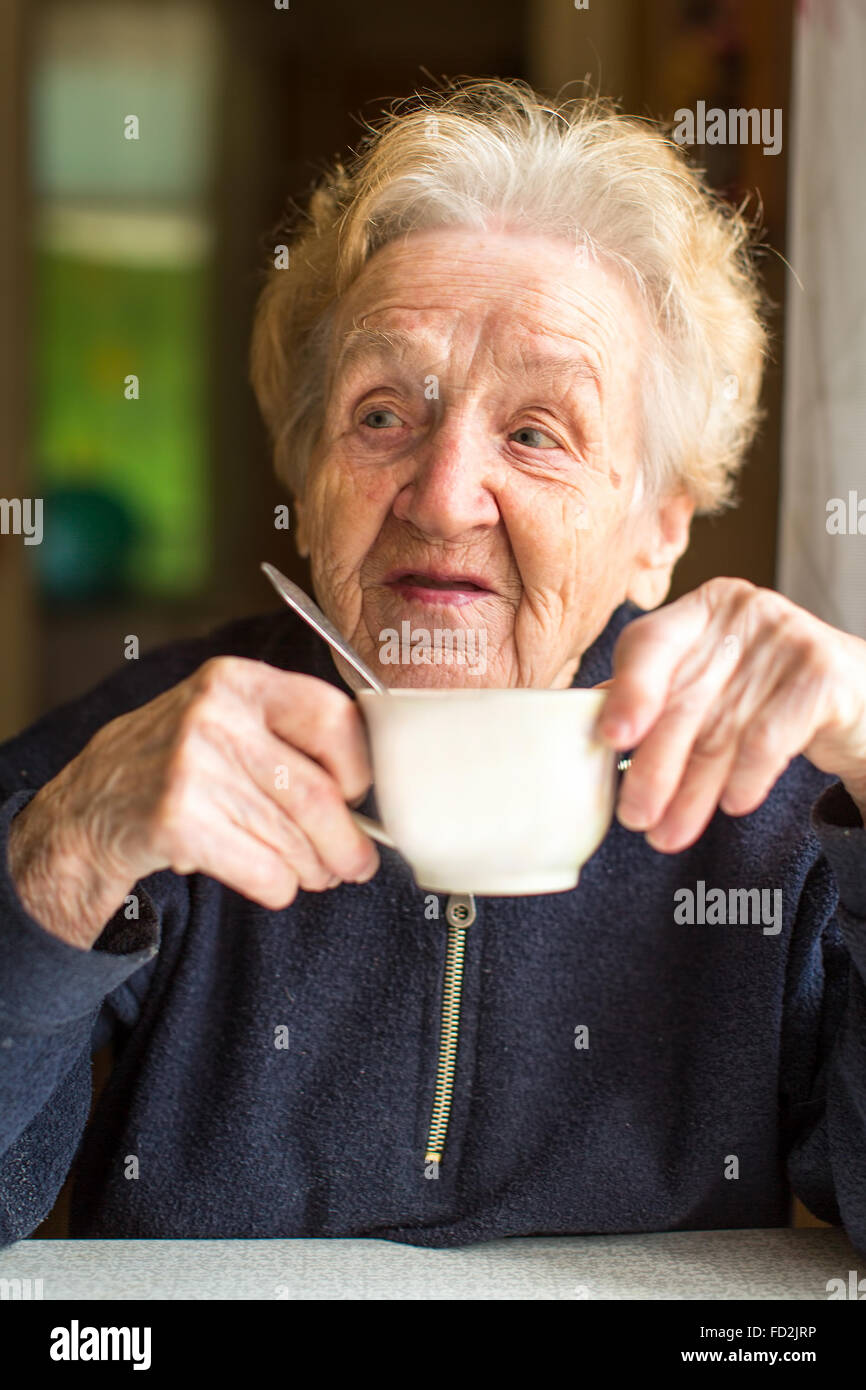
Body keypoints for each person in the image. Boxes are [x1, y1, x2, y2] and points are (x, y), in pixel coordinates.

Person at [2, 79, 866, 1253]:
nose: (445, 493)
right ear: (305, 482)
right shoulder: (138, 766)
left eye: (533, 432)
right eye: (379, 417)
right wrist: (62, 863)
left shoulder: (774, 813)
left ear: (658, 526)